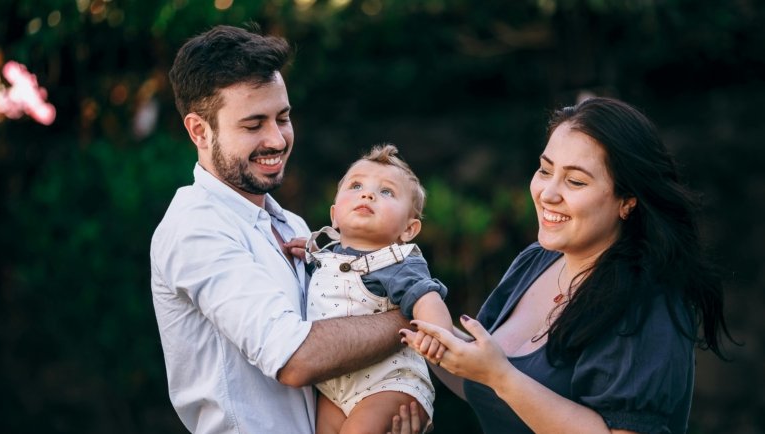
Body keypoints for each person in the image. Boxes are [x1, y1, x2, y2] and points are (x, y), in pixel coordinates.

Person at [394, 97, 735, 434]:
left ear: (627, 201)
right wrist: (413, 311)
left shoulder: (647, 301)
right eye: (545, 170)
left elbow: (496, 377)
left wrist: (501, 376)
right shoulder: (536, 260)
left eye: (576, 181)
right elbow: (482, 379)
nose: (548, 193)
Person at [150, 24, 411, 433]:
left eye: (283, 118)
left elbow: (339, 335)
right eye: (253, 125)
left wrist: (383, 403)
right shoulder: (194, 228)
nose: (277, 139)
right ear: (199, 130)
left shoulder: (291, 224)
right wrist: (414, 321)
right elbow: (296, 358)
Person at [305, 144, 451, 434]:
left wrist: (438, 335)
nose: (367, 194)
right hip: (333, 387)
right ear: (334, 216)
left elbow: (426, 296)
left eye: (386, 192)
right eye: (356, 185)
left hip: (388, 384)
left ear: (408, 230)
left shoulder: (396, 262)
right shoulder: (321, 257)